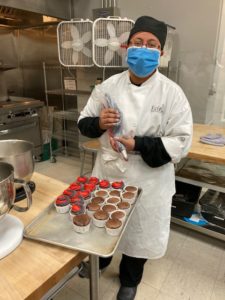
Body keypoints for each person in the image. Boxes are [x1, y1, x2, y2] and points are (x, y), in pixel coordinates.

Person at [78, 15, 193, 300]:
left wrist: (139, 144)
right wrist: (99, 124)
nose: (144, 48)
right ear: (126, 47)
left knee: (139, 231)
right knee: (102, 224)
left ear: (161, 53)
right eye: (138, 42)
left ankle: (130, 279)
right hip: (109, 173)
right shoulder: (107, 87)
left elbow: (181, 142)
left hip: (148, 179)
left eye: (152, 45)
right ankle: (101, 260)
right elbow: (84, 122)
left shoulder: (172, 94)